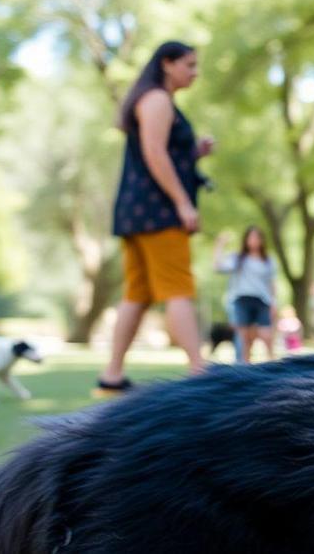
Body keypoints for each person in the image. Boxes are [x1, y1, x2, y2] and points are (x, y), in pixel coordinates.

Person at [98, 41, 210, 393]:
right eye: (189, 65)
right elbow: (154, 155)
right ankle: (199, 372)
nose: (194, 72)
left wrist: (194, 154)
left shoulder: (153, 100)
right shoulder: (158, 100)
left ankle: (112, 376)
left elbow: (163, 155)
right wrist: (183, 204)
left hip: (136, 212)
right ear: (167, 63)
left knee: (139, 293)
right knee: (178, 287)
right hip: (157, 213)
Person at [214, 227, 278, 363]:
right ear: (246, 240)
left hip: (262, 301)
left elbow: (272, 283)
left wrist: (274, 303)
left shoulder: (268, 261)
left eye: (257, 237)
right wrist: (220, 244)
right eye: (251, 237)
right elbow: (218, 267)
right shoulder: (238, 259)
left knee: (266, 335)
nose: (254, 241)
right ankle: (245, 368)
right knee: (245, 339)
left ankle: (274, 365)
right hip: (242, 300)